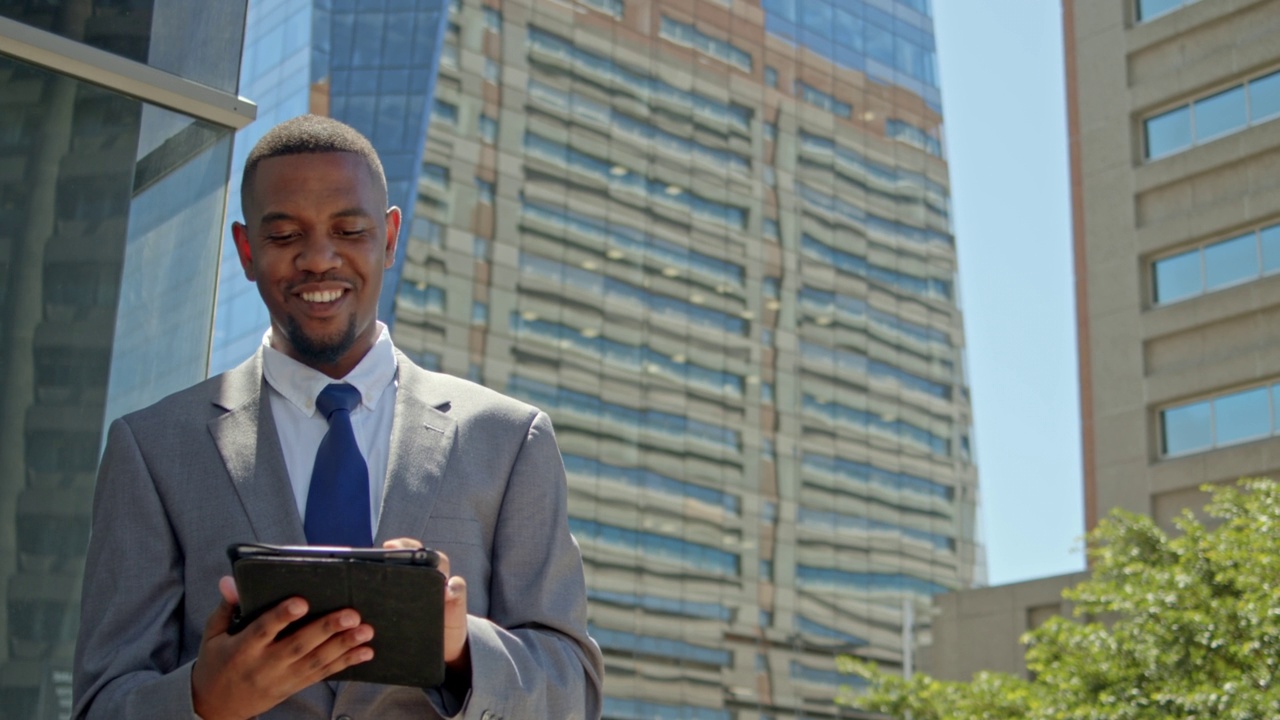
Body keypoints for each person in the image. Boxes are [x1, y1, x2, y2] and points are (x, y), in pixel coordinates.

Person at [72, 115, 604, 720]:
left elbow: (572, 691)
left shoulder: (509, 441)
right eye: (283, 237)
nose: (318, 259)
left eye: (349, 229)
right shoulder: (153, 449)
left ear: (389, 237)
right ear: (246, 251)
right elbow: (100, 702)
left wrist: (461, 650)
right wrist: (201, 700)